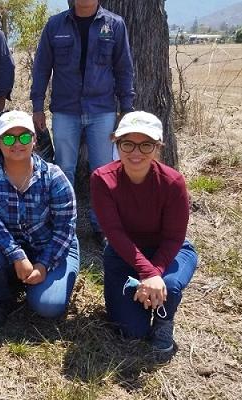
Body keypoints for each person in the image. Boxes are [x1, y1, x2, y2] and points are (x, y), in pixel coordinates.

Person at [90, 111, 197, 354]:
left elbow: (173, 237)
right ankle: (146, 296)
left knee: (168, 283)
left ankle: (164, 320)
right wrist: (147, 272)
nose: (136, 152)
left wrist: (153, 274)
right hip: (122, 253)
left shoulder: (173, 182)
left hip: (169, 252)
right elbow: (114, 233)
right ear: (116, 144)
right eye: (127, 143)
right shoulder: (101, 179)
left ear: (157, 147)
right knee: (131, 331)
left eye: (146, 145)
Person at [30, 0, 135, 243]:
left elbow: (124, 69)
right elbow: (42, 68)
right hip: (65, 110)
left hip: (102, 109)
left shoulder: (115, 24)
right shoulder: (55, 25)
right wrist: (37, 106)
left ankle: (102, 227)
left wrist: (126, 108)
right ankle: (65, 225)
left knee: (102, 170)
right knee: (65, 168)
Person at [0, 111, 79, 329]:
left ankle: (41, 282)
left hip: (54, 248)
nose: (17, 143)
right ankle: (2, 300)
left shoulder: (54, 176)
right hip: (11, 247)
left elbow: (65, 229)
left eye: (24, 137)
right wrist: (16, 255)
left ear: (34, 140)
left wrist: (43, 264)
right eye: (9, 138)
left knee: (48, 306)